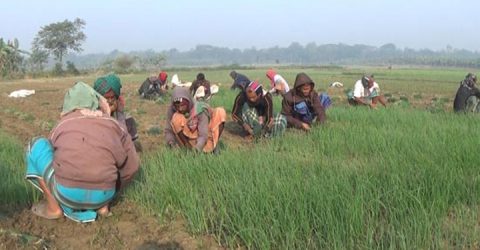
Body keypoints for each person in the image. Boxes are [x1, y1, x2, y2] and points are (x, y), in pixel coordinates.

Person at [25, 82, 139, 222]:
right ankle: (103, 207)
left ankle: (54, 208)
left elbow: (55, 156)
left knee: (36, 145)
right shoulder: (114, 124)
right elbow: (132, 166)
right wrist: (114, 188)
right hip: (105, 195)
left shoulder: (62, 124)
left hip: (66, 195)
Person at [164, 87, 226, 153]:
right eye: (177, 106)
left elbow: (203, 134)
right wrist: (171, 142)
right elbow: (168, 130)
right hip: (187, 138)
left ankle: (213, 144)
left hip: (205, 134)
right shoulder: (172, 110)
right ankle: (187, 147)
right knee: (176, 117)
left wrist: (197, 148)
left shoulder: (199, 109)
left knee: (220, 112)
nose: (180, 109)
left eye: (182, 106)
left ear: (188, 102)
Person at [93, 74, 142, 152]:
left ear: (117, 98)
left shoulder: (128, 120)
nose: (109, 101)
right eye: (106, 98)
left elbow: (134, 147)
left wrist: (120, 114)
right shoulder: (93, 120)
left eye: (112, 97)